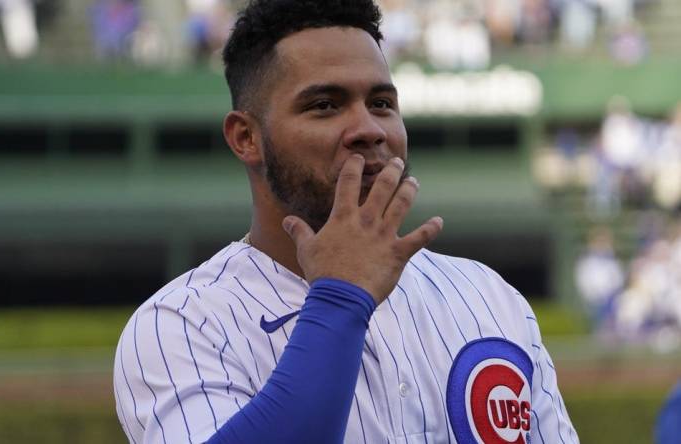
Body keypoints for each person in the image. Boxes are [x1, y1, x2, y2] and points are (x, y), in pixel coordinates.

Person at [113, 1, 578, 443]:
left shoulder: (488, 297)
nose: (369, 129)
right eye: (325, 105)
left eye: (381, 103)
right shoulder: (182, 325)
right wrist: (340, 299)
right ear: (246, 137)